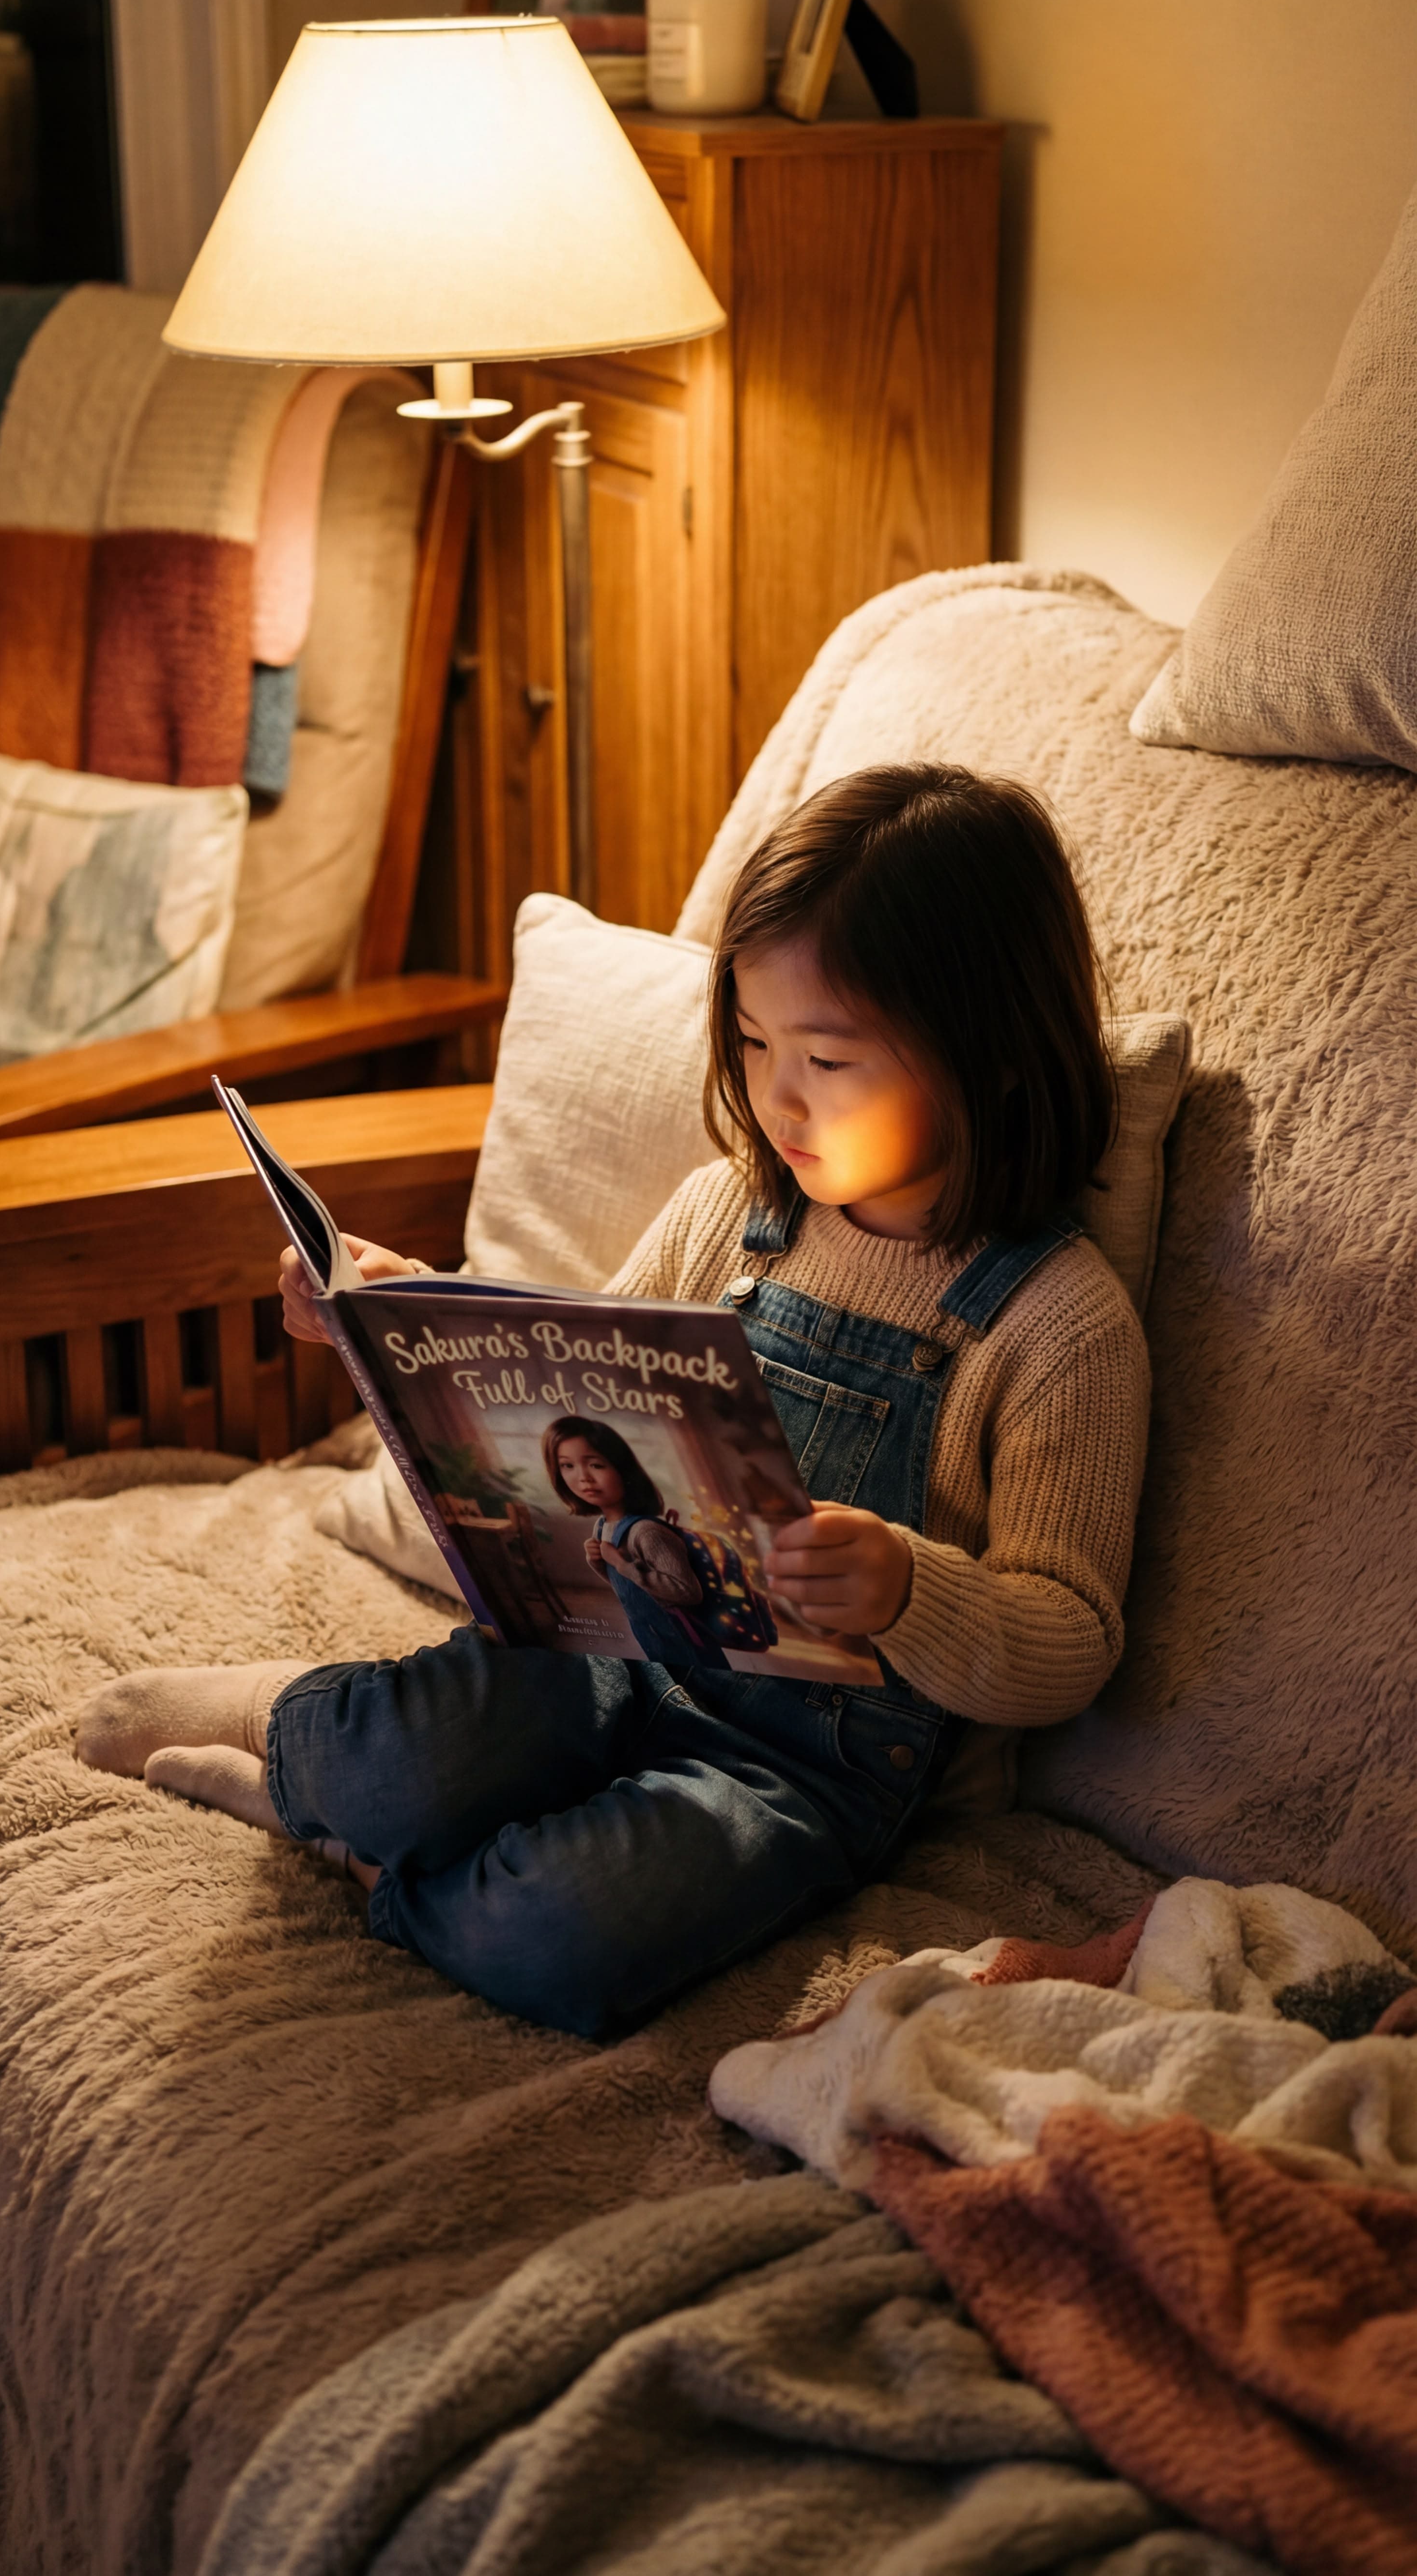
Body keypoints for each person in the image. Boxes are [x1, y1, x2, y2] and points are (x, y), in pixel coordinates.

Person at [76, 764, 1151, 2038]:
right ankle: (309, 1745)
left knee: (561, 1931)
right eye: (751, 1044)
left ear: (992, 1056)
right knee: (407, 1748)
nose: (778, 1096)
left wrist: (912, 1590)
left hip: (803, 1766)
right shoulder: (731, 1221)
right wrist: (402, 1317)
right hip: (610, 1649)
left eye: (827, 1057)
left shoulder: (1058, 1325)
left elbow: (1073, 1639)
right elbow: (570, 1375)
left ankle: (365, 1856)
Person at [542, 1414, 733, 1670]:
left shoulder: (647, 1532)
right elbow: (629, 1588)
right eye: (568, 1466)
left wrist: (624, 1564)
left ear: (622, 1468)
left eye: (596, 1465)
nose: (583, 1478)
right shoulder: (602, 1527)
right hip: (648, 1633)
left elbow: (689, 1592)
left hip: (684, 1637)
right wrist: (599, 1562)